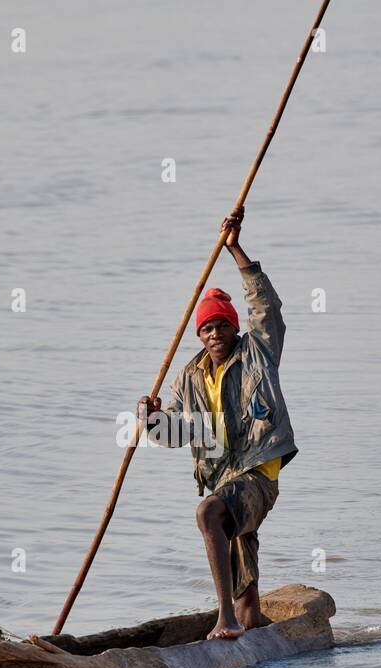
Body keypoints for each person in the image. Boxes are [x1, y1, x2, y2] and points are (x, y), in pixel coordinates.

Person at [140, 207, 298, 639]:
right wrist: (150, 421)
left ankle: (224, 619)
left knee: (209, 512)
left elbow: (267, 308)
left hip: (258, 475)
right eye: (207, 328)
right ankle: (248, 620)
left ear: (233, 329)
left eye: (221, 326)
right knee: (235, 548)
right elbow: (173, 434)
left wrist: (235, 249)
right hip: (225, 479)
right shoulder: (189, 377)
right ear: (199, 335)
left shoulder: (256, 355)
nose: (215, 334)